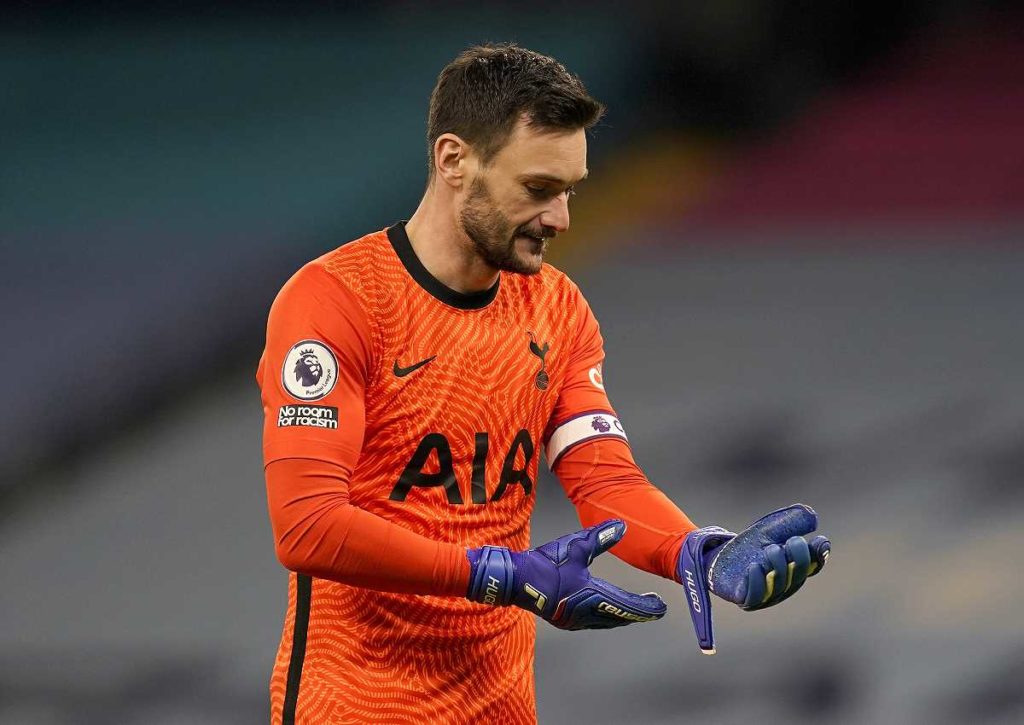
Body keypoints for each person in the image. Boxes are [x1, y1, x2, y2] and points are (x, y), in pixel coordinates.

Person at [256, 43, 830, 725]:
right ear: (453, 160)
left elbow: (606, 483)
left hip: (500, 706)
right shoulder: (336, 300)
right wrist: (497, 574)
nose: (560, 218)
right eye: (537, 188)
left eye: (569, 190)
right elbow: (308, 527)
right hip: (356, 705)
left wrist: (693, 552)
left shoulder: (556, 308)